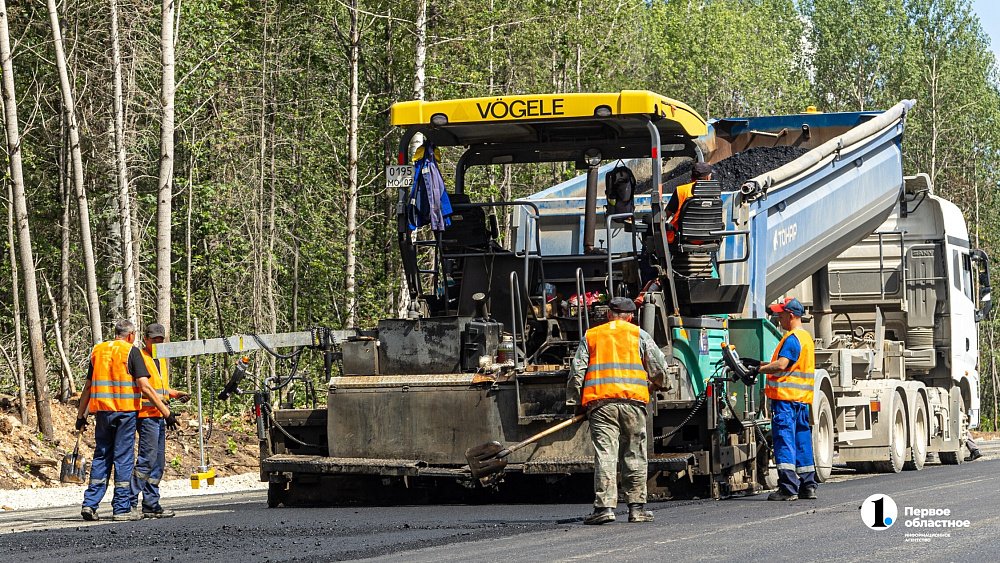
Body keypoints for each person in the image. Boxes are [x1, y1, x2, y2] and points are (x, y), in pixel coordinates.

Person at [567, 296, 668, 525]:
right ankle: (637, 509)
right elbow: (659, 368)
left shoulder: (592, 335)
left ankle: (604, 508)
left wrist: (575, 404)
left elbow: (576, 373)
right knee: (635, 453)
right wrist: (660, 385)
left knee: (606, 455)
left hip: (601, 405)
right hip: (633, 404)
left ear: (608, 314)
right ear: (630, 316)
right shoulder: (639, 334)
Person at [75, 320, 179, 522]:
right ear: (132, 335)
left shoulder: (99, 350)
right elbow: (145, 387)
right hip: (125, 413)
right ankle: (122, 508)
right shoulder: (131, 352)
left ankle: (90, 504)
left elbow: (87, 387)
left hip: (103, 413)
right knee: (123, 459)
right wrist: (167, 412)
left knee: (102, 456)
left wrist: (81, 416)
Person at [753, 297, 818, 501]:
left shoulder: (792, 338)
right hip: (801, 401)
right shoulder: (805, 337)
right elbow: (790, 365)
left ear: (790, 315)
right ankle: (808, 486)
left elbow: (781, 365)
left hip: (785, 402)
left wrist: (758, 370)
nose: (778, 317)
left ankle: (788, 488)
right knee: (802, 442)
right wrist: (761, 363)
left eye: (780, 314)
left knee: (785, 441)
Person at [130, 323, 190, 518]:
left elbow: (160, 390)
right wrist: (165, 411)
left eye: (160, 340)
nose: (156, 343)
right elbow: (146, 390)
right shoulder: (140, 357)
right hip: (147, 416)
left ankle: (151, 503)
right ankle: (129, 502)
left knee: (158, 462)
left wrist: (175, 394)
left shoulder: (160, 359)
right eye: (153, 340)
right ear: (146, 339)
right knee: (146, 460)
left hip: (160, 415)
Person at [665, 161, 713, 245]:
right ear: (708, 178)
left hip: (682, 238)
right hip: (708, 237)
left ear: (691, 177)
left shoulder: (681, 191)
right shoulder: (714, 192)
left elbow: (665, 215)